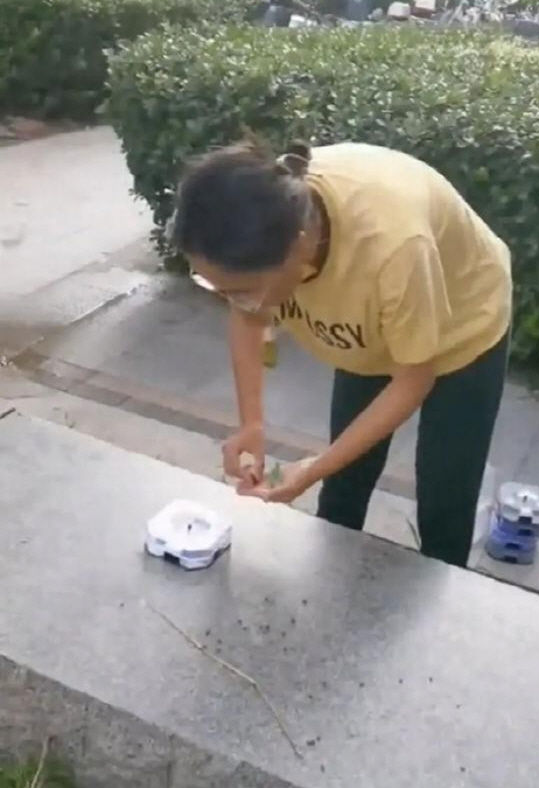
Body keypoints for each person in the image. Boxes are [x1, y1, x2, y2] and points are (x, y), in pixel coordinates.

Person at [172, 138, 512, 567]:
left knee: (444, 498)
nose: (230, 301)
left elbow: (413, 380)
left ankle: (441, 606)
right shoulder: (263, 220)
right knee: (344, 478)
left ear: (298, 249)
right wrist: (251, 423)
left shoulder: (393, 246)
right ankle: (331, 597)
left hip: (464, 328)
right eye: (213, 287)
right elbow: (248, 315)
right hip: (372, 328)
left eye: (238, 291)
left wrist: (309, 470)